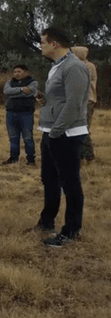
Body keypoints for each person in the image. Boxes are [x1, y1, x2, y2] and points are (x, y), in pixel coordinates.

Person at [33, 27, 90, 247]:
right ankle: (47, 221)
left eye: (42, 42)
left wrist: (57, 131)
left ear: (54, 44)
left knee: (70, 183)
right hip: (52, 131)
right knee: (49, 180)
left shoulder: (74, 67)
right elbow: (61, 99)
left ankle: (71, 230)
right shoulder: (57, 67)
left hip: (65, 134)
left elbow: (74, 105)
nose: (41, 46)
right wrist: (45, 103)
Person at [2, 64, 38, 165]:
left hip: (26, 113)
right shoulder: (10, 82)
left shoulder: (33, 82)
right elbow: (6, 91)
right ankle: (13, 158)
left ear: (26, 72)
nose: (16, 74)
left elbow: (31, 92)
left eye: (19, 71)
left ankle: (31, 160)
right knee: (13, 137)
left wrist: (13, 93)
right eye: (15, 72)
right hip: (11, 113)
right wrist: (21, 90)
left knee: (28, 138)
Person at [71, 46, 97, 161]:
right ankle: (79, 154)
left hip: (86, 101)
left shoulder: (88, 66)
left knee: (83, 128)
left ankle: (88, 154)